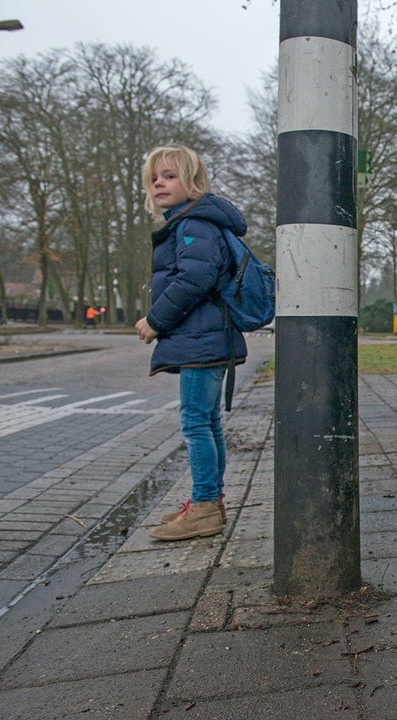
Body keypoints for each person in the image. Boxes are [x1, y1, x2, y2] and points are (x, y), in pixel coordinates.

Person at [135, 145, 247, 541]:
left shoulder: (193, 224)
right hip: (207, 337)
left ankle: (203, 507)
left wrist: (154, 321)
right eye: (154, 179)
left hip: (202, 337)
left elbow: (193, 281)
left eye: (169, 176)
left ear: (193, 182)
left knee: (196, 422)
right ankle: (209, 502)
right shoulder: (191, 222)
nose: (159, 184)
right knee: (208, 420)